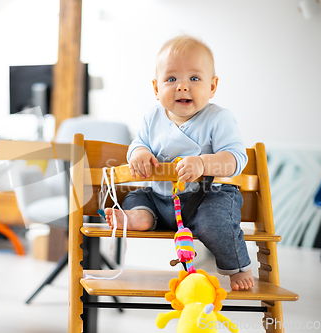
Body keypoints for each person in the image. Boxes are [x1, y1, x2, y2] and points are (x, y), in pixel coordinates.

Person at [104, 35, 254, 291]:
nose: (182, 86)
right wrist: (138, 153)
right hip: (161, 199)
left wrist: (205, 164)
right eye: (171, 79)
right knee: (136, 196)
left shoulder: (219, 118)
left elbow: (236, 159)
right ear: (155, 88)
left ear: (212, 86)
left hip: (209, 197)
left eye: (194, 78)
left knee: (215, 224)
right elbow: (137, 143)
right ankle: (140, 217)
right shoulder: (152, 118)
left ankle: (237, 266)